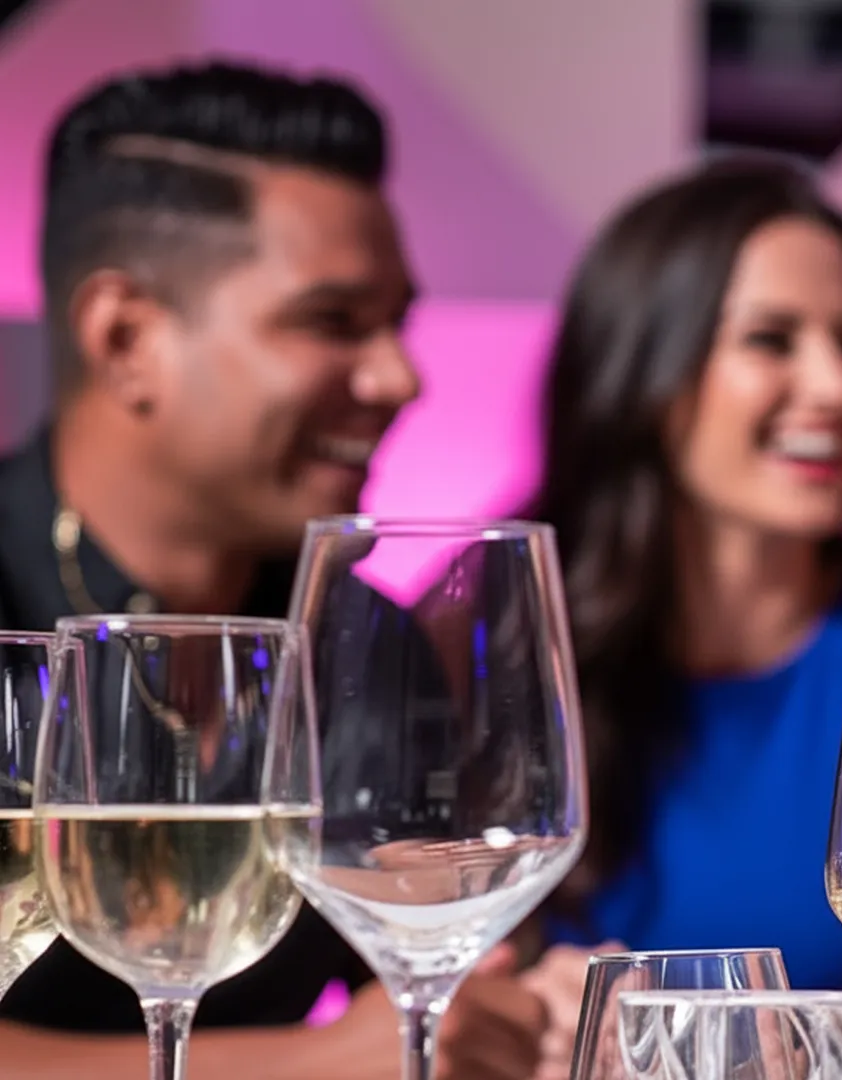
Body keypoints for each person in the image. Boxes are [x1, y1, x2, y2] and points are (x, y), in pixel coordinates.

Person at [0, 60, 554, 1079]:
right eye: (333, 321)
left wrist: (502, 999)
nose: (400, 375)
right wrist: (308, 1067)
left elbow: (428, 994)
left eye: (396, 322)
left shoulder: (364, 644)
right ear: (125, 338)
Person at [530, 159, 842, 998]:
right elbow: (428, 1002)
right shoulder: (502, 634)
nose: (834, 387)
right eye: (770, 339)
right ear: (644, 368)